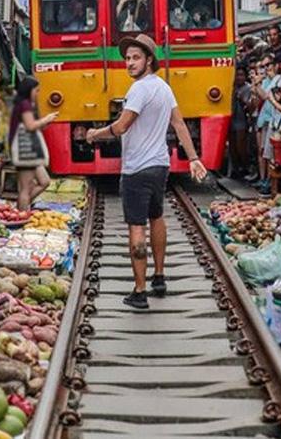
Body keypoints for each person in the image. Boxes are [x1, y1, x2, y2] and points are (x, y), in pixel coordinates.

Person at [86, 34, 207, 309]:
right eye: (127, 58)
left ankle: (140, 292)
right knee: (157, 216)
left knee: (136, 227)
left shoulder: (139, 89)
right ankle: (160, 277)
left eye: (135, 58)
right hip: (159, 165)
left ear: (149, 60)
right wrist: (193, 158)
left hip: (136, 169)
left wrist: (95, 134)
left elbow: (122, 126)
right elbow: (179, 124)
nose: (129, 63)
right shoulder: (164, 88)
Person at [9, 76, 59, 211]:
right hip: (25, 149)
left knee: (44, 181)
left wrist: (45, 122)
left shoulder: (23, 104)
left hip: (27, 149)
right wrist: (47, 119)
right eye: (36, 90)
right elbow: (30, 126)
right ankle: (22, 215)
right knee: (25, 188)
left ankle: (20, 207)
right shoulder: (24, 104)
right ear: (29, 90)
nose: (37, 94)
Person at [254, 57, 281, 193]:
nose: (267, 68)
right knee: (268, 154)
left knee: (277, 156)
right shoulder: (276, 79)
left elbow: (279, 100)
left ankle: (276, 186)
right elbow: (265, 96)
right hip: (274, 121)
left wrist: (274, 101)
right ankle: (269, 183)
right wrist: (256, 85)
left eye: (269, 65)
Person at [228, 67, 254, 179]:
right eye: (237, 75)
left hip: (241, 119)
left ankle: (246, 167)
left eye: (241, 75)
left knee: (241, 146)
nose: (239, 78)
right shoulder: (232, 87)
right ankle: (236, 169)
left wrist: (241, 99)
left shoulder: (247, 88)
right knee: (232, 147)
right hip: (232, 119)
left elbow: (250, 105)